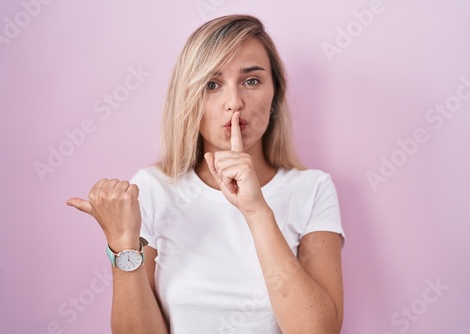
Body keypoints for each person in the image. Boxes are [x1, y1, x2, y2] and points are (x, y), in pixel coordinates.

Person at [67, 14, 345, 334]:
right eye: (212, 84)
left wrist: (256, 211)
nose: (234, 103)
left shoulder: (312, 189)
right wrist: (122, 244)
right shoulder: (154, 188)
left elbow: (318, 330)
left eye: (251, 80)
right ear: (189, 98)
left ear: (275, 96)